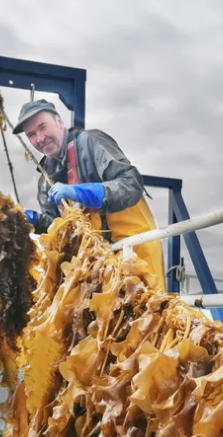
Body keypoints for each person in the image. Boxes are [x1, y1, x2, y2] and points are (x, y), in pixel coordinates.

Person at [12, 99, 166, 292]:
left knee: (149, 316)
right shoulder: (45, 179)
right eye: (31, 135)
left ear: (59, 122)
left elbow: (131, 184)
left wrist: (83, 192)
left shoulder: (90, 142)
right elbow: (58, 227)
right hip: (95, 266)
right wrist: (34, 221)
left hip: (135, 251)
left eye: (43, 127)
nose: (40, 138)